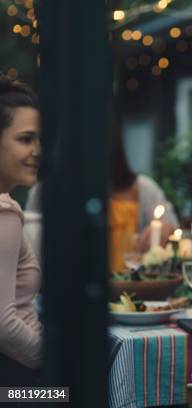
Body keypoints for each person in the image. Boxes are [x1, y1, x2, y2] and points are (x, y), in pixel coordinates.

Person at [27, 115, 178, 271]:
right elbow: (29, 247)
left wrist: (164, 231)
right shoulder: (44, 191)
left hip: (131, 291)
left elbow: (173, 228)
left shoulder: (144, 189)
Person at [0, 73, 43, 385]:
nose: (38, 150)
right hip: (17, 380)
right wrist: (51, 362)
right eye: (26, 139)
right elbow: (2, 323)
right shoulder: (5, 213)